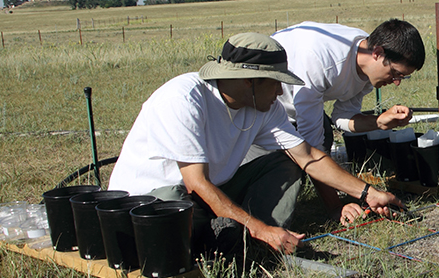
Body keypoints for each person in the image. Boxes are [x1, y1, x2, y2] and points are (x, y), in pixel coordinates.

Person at [109, 32, 403, 261]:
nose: (280, 92)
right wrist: (259, 227)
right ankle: (243, 235)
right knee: (180, 206)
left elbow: (309, 156)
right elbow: (194, 183)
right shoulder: (183, 99)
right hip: (151, 201)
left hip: (210, 190)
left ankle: (248, 237)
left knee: (285, 163)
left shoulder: (264, 106)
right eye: (276, 84)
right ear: (249, 81)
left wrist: (369, 193)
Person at [268, 19, 425, 221]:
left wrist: (379, 122)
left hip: (296, 108)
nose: (395, 82)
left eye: (402, 77)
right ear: (377, 53)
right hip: (266, 109)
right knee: (288, 172)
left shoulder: (367, 66)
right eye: (395, 73)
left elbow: (342, 118)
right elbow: (311, 149)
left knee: (322, 133)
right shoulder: (321, 60)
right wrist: (336, 207)